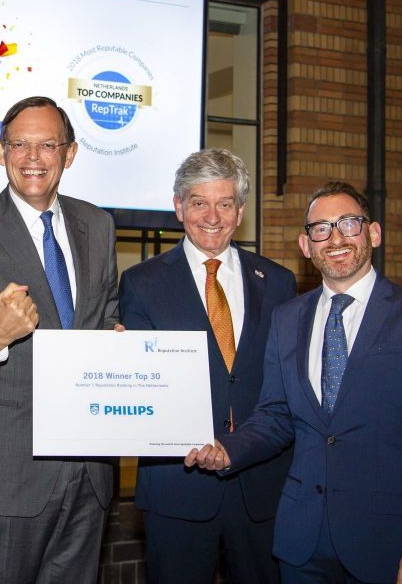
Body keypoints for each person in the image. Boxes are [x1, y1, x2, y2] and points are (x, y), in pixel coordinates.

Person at [187, 181, 402, 584]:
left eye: (348, 224)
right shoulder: (287, 319)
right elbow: (276, 415)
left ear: (374, 233)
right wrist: (227, 449)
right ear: (306, 246)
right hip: (302, 544)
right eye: (321, 229)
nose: (336, 238)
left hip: (391, 546)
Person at [0, 95, 119, 584]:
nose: (33, 157)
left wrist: (117, 345)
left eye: (47, 145)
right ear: (0, 151)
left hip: (89, 471)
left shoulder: (98, 225)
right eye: (19, 144)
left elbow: (105, 316)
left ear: (69, 154)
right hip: (5, 474)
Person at [119, 148, 296, 584]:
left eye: (225, 203)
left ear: (240, 211)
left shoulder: (278, 282)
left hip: (261, 487)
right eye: (199, 202)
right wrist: (120, 362)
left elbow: (285, 386)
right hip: (177, 487)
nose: (212, 217)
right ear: (179, 207)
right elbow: (141, 388)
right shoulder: (141, 283)